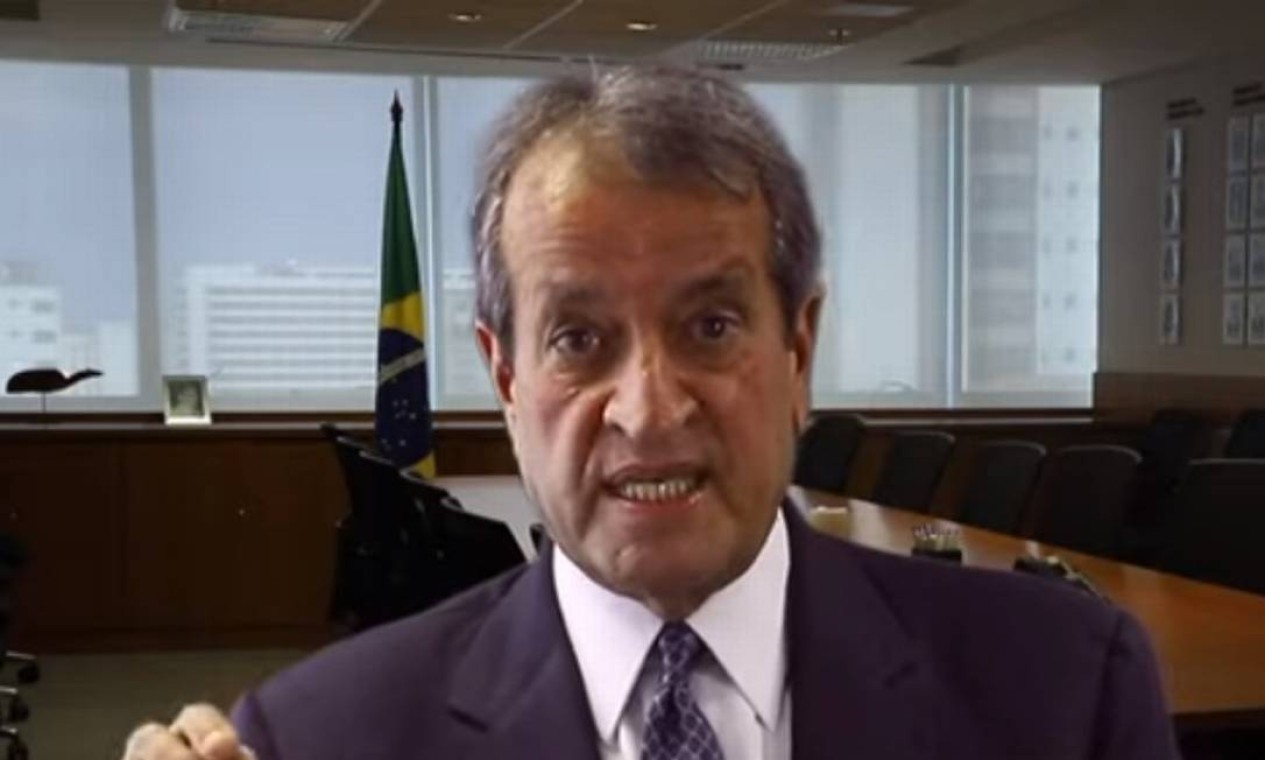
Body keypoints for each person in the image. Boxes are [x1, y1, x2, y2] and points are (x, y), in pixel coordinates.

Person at [121, 65, 1178, 760]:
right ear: (504, 377)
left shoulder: (1067, 691)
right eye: (578, 339)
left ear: (798, 350)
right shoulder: (319, 738)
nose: (649, 407)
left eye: (710, 325)